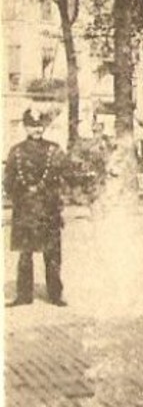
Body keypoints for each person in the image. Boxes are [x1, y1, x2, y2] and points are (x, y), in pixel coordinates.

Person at [4, 109, 69, 306]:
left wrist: (57, 200)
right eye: (32, 125)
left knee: (52, 254)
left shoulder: (54, 150)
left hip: (48, 211)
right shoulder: (15, 151)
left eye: (40, 125)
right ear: (25, 127)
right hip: (25, 211)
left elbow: (64, 177)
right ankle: (24, 296)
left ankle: (55, 294)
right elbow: (8, 181)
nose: (37, 129)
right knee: (25, 254)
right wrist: (23, 196)